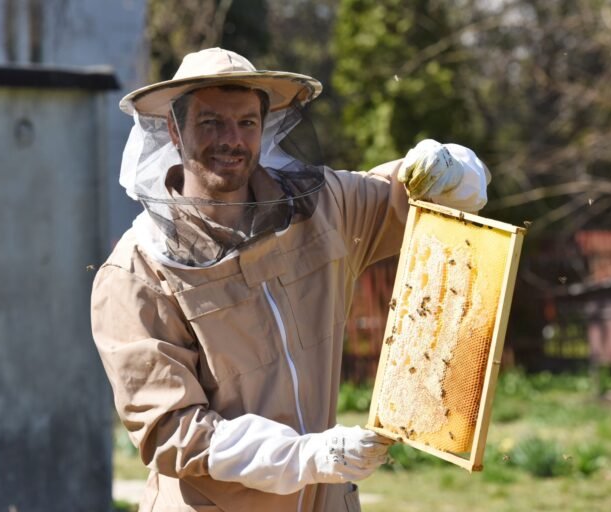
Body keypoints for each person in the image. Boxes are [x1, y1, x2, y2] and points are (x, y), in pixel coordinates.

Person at [91, 47, 490, 511]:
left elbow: (409, 192)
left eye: (246, 123)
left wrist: (450, 172)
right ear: (175, 132)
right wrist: (302, 457)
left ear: (264, 128)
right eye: (211, 122)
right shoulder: (137, 271)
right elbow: (170, 431)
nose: (231, 139)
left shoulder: (322, 208)